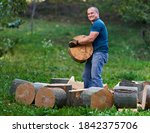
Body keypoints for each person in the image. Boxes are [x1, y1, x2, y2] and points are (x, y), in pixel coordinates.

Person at [69, 6, 108, 88]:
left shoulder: (98, 23)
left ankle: (100, 98)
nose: (90, 15)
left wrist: (77, 42)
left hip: (99, 53)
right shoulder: (95, 24)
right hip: (93, 53)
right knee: (86, 76)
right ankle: (88, 96)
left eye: (92, 13)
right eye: (88, 14)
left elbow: (90, 38)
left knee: (95, 76)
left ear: (97, 13)